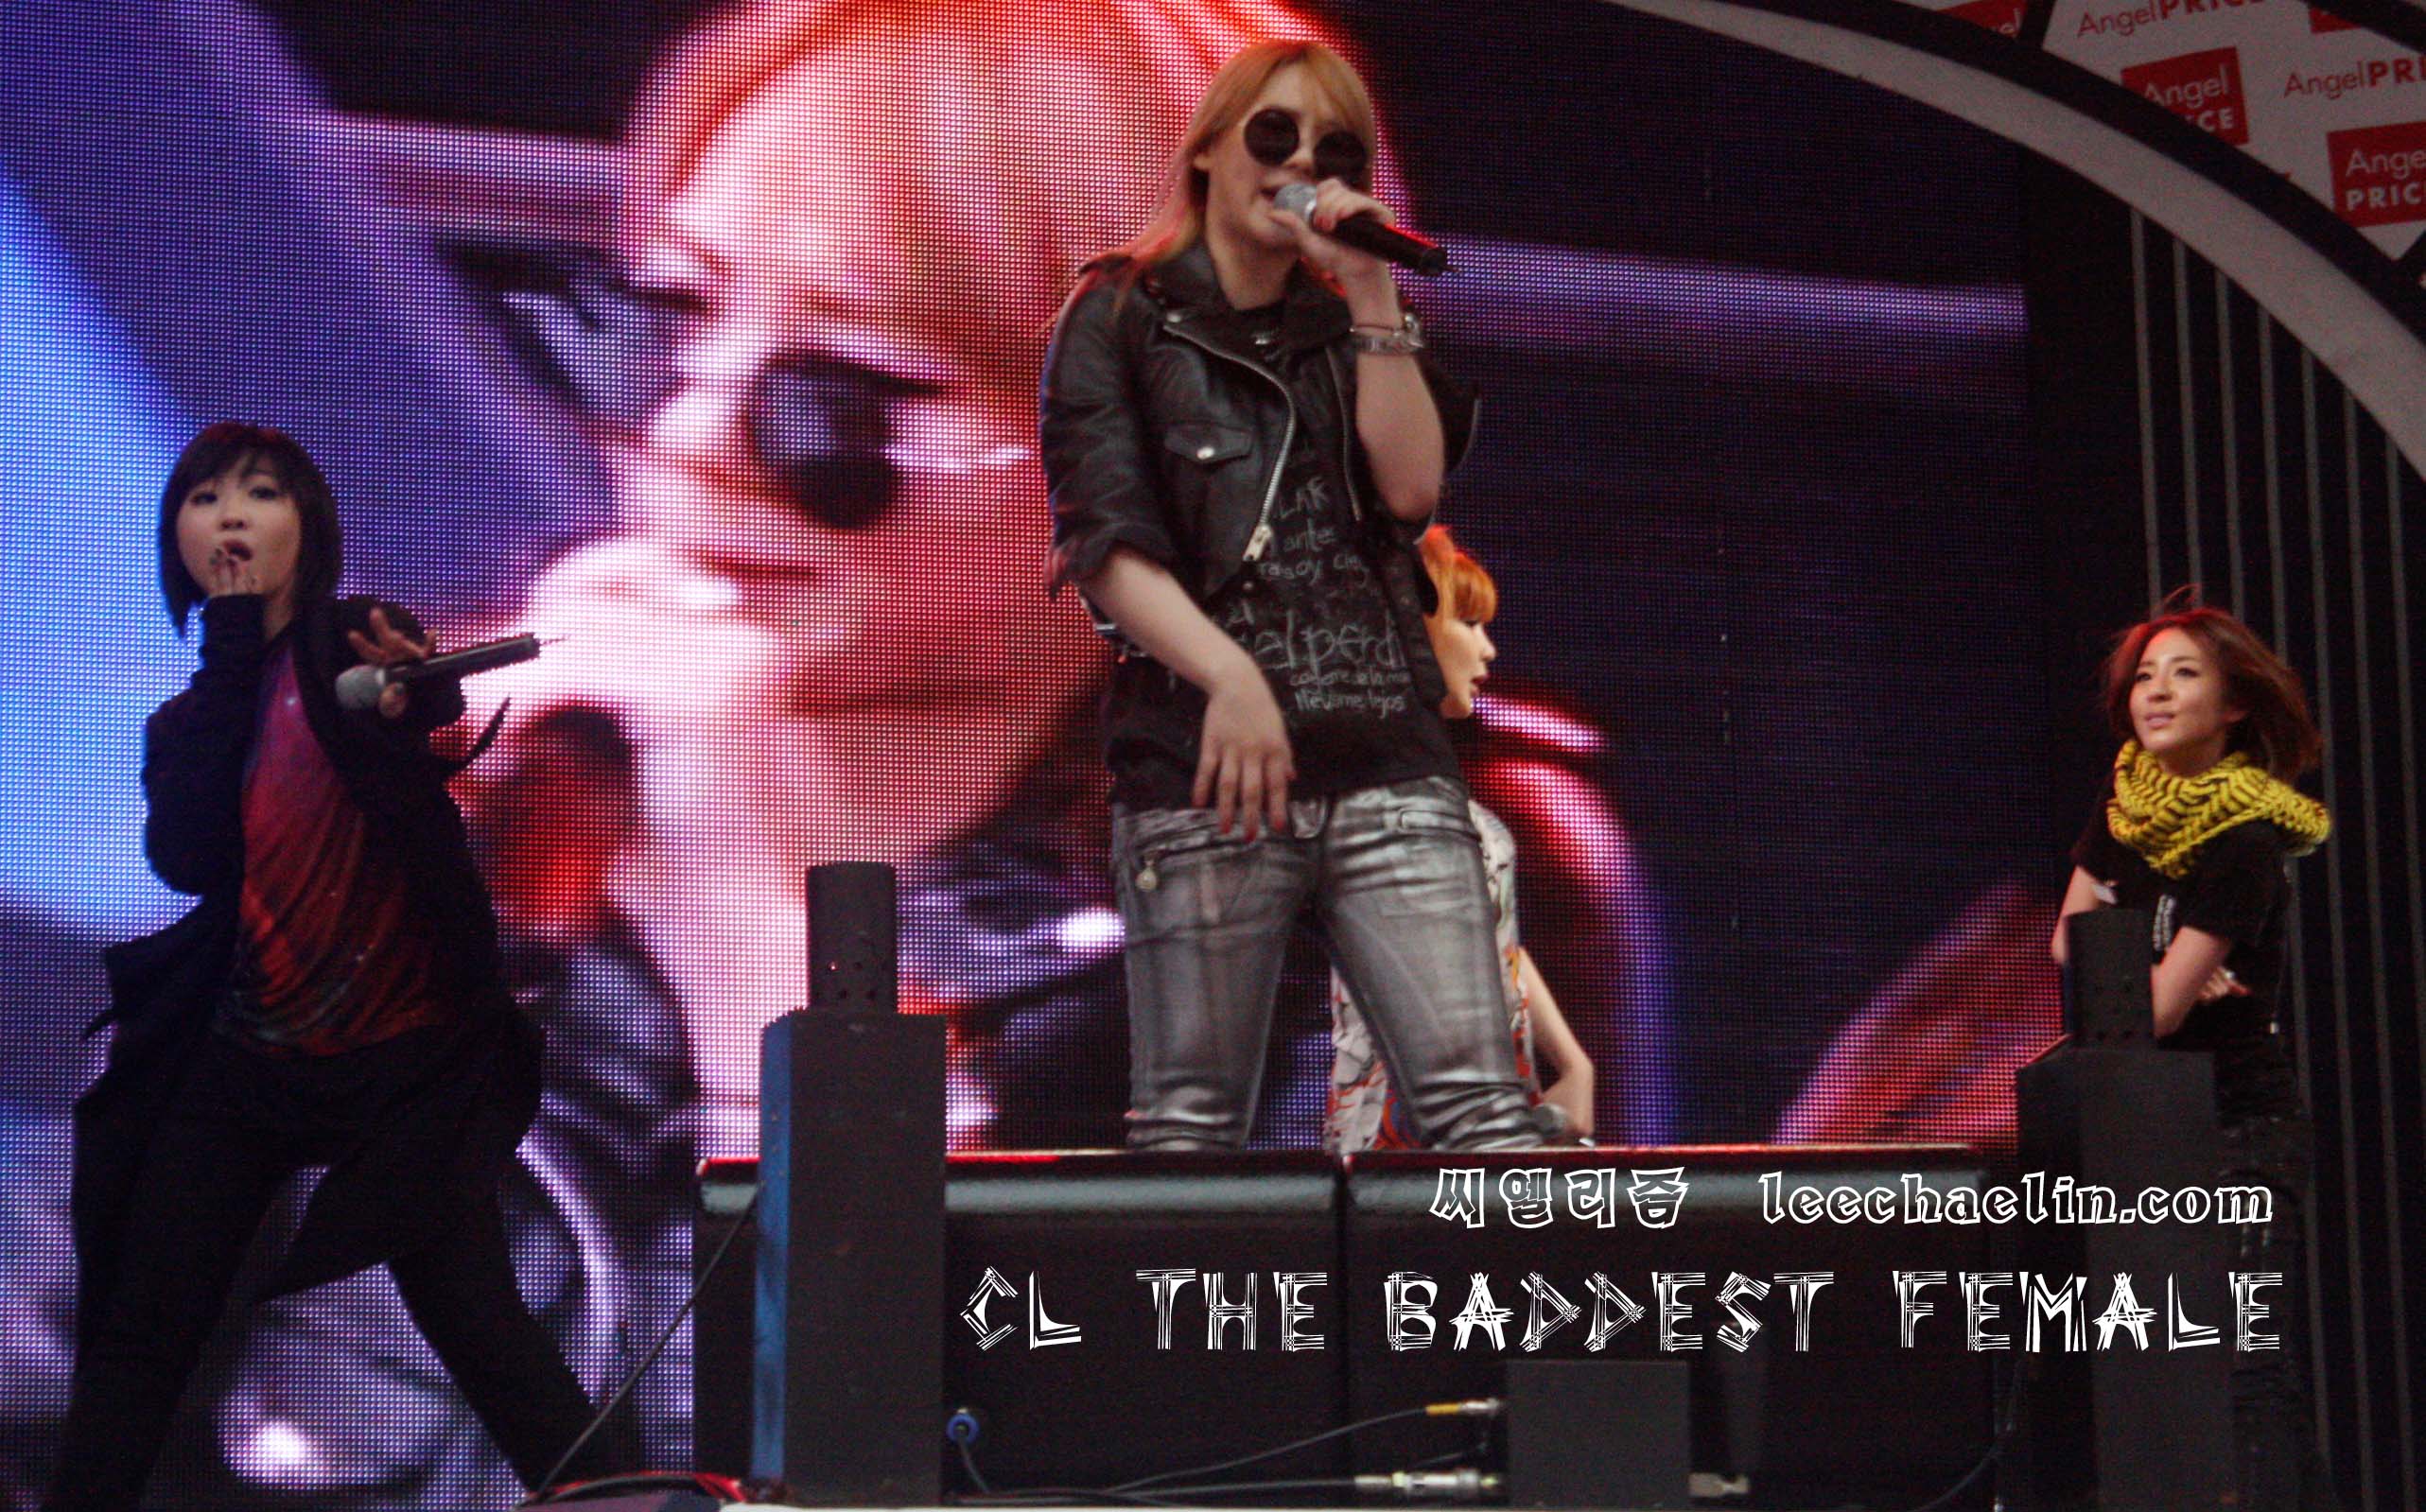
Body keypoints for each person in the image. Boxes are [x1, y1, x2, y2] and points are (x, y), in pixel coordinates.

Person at [44, 423, 625, 1511]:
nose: (232, 519)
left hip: (407, 1059)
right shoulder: (190, 725)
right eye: (206, 502)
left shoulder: (365, 647)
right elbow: (191, 856)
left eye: (259, 496)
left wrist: (408, 704)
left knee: (481, 1325)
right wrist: (232, 662)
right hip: (257, 1057)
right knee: (148, 1328)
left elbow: (437, 725)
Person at [1040, 39, 1558, 1152]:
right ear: (1208, 152)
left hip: (1385, 762)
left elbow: (1409, 494)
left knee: (1484, 1113)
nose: (1301, 166)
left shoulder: (1349, 331)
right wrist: (1229, 677)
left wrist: (1369, 289)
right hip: (1210, 774)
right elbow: (1105, 544)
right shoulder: (1123, 314)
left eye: (1334, 150)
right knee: (1192, 1128)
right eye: (1274, 136)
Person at [2051, 587, 2337, 1511]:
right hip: (2142, 1131)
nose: (2157, 692)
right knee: (2159, 1362)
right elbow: (2068, 949)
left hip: (2237, 1127)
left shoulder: (2246, 840)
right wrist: (2151, 966)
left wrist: (2142, 973)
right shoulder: (2124, 811)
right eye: (2146, 676)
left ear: (2235, 704)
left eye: (2184, 675)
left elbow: (2158, 1012)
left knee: (2247, 1359)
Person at [1326, 528, 1595, 1150]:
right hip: (1410, 1115)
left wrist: (1573, 1063)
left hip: (1496, 1103)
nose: (1487, 649)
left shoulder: (1448, 790)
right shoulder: (1357, 794)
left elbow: (1493, 940)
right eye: (1468, 623)